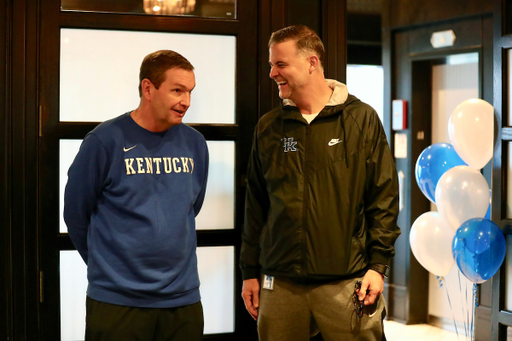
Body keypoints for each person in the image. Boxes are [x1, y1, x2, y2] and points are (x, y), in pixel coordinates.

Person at [240, 25, 401, 341]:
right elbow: (255, 204)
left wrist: (378, 266)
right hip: (279, 282)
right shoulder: (269, 127)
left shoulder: (361, 119)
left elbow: (383, 198)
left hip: (346, 281)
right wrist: (249, 273)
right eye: (271, 65)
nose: (272, 73)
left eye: (280, 64)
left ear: (311, 63)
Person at [64, 50, 208, 341]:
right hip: (117, 302)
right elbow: (76, 215)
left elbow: (191, 207)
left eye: (190, 92)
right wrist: (109, 269)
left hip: (182, 302)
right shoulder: (104, 141)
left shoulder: (195, 144)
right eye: (177, 90)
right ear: (148, 88)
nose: (186, 102)